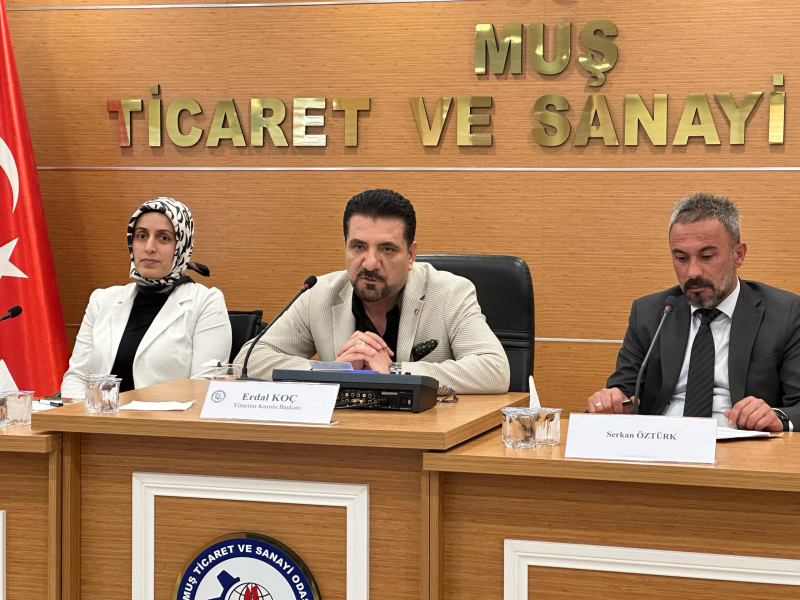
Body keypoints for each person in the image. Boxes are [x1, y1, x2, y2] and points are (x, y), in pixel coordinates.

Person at [234, 188, 510, 394]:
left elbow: (495, 371)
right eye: (358, 247)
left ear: (411, 255)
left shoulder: (450, 292)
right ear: (345, 246)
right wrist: (336, 372)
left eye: (387, 249)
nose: (369, 263)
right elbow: (249, 361)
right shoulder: (319, 293)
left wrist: (394, 372)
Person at [587, 193, 800, 431]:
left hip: (740, 441)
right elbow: (623, 392)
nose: (692, 272)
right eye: (681, 258)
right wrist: (611, 401)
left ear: (738, 255)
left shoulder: (786, 313)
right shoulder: (650, 313)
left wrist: (776, 416)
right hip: (661, 441)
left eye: (707, 257)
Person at [61, 197, 232, 398]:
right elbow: (76, 378)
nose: (149, 247)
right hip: (98, 416)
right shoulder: (101, 301)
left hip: (165, 418)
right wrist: (85, 414)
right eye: (141, 236)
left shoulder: (206, 303)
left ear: (182, 247)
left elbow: (204, 387)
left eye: (163, 238)